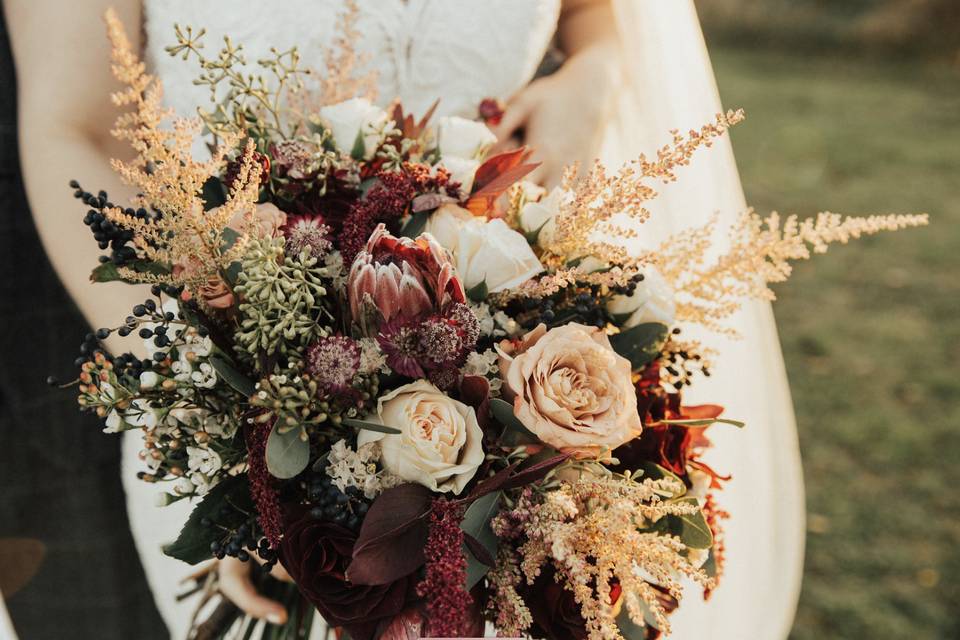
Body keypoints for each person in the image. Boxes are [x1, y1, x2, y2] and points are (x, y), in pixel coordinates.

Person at [6, 0, 804, 637]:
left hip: (513, 367)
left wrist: (592, 74)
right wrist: (232, 435)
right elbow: (76, 130)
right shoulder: (238, 424)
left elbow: (599, 15)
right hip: (247, 379)